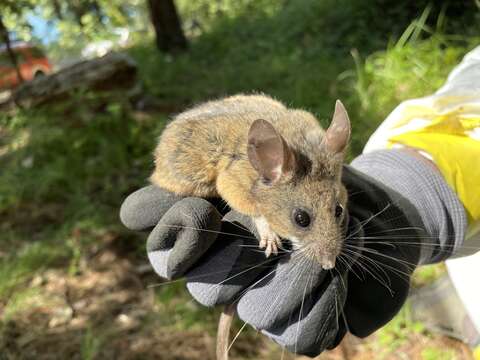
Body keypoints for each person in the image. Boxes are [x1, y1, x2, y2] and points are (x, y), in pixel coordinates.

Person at [120, 45, 480, 357]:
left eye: (339, 213)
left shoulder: (314, 159)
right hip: (200, 159)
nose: (327, 258)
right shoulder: (260, 174)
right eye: (303, 220)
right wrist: (422, 181)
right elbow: (233, 181)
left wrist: (417, 194)